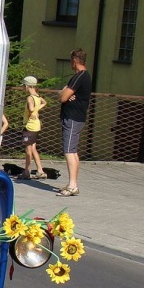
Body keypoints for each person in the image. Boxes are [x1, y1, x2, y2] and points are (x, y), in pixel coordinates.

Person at [57, 48, 91, 196]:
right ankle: (73, 184)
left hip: (72, 118)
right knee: (73, 151)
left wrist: (65, 92)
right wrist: (65, 92)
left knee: (69, 151)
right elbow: (64, 94)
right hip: (77, 118)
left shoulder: (79, 77)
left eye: (71, 60)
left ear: (75, 60)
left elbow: (63, 97)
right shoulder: (85, 76)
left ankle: (72, 185)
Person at [21, 76, 47, 179]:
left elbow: (31, 109)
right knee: (33, 148)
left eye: (23, 86)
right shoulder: (38, 97)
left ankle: (26, 171)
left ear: (27, 86)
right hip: (36, 125)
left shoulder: (30, 98)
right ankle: (40, 171)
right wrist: (36, 111)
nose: (23, 88)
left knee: (28, 150)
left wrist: (32, 112)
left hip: (29, 126)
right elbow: (44, 103)